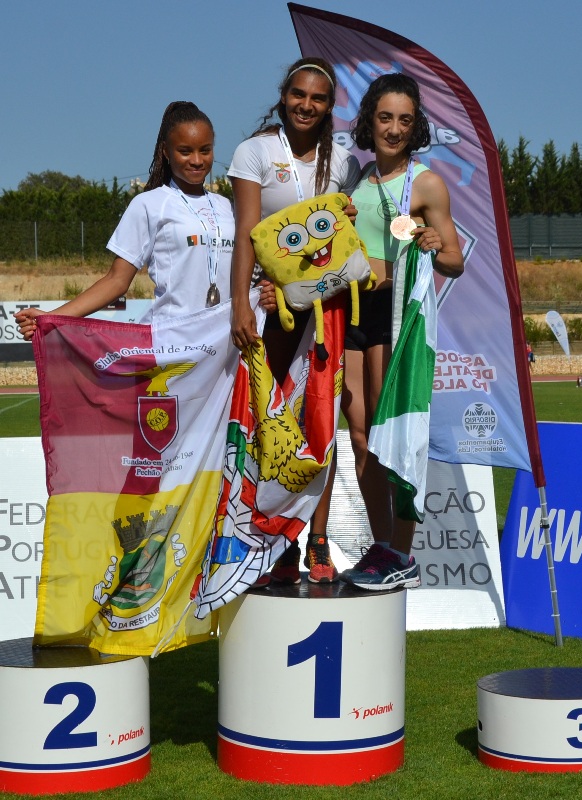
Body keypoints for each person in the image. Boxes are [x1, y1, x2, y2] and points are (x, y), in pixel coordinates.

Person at [228, 57, 361, 585]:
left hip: (328, 312)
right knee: (273, 422)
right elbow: (246, 232)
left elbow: (348, 237)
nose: (306, 105)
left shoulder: (345, 161)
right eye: (298, 95)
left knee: (321, 422)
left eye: (318, 98)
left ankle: (317, 537)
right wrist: (242, 303)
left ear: (330, 106)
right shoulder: (256, 151)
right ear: (284, 96)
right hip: (274, 309)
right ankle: (279, 538)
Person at [339, 73, 464, 591]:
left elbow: (454, 259)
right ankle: (383, 546)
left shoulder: (425, 183)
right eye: (385, 118)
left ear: (416, 128)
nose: (393, 129)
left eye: (404, 120)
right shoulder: (355, 178)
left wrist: (434, 243)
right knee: (360, 436)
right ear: (370, 120)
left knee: (391, 435)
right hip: (349, 313)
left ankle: (401, 551)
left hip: (393, 315)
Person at [15, 101, 250, 336]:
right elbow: (116, 281)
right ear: (166, 151)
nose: (197, 160)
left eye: (205, 150)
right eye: (185, 151)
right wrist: (51, 318)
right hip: (171, 342)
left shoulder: (228, 206)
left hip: (224, 341)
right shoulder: (148, 204)